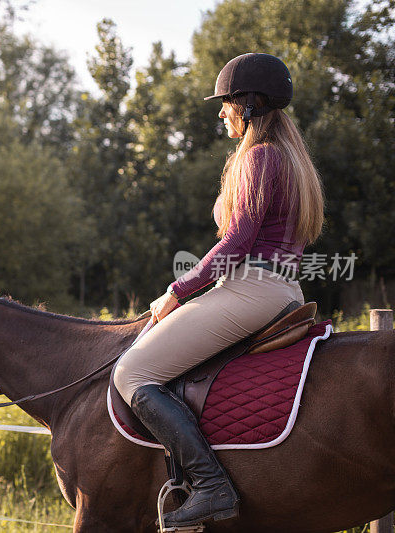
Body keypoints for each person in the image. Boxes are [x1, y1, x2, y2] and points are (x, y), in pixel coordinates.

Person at [113, 52, 325, 527]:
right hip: (283, 289)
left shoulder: (259, 157)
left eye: (226, 101)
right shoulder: (293, 160)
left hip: (252, 288)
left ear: (249, 104)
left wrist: (178, 290)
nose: (221, 110)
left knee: (132, 372)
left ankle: (211, 486)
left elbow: (237, 241)